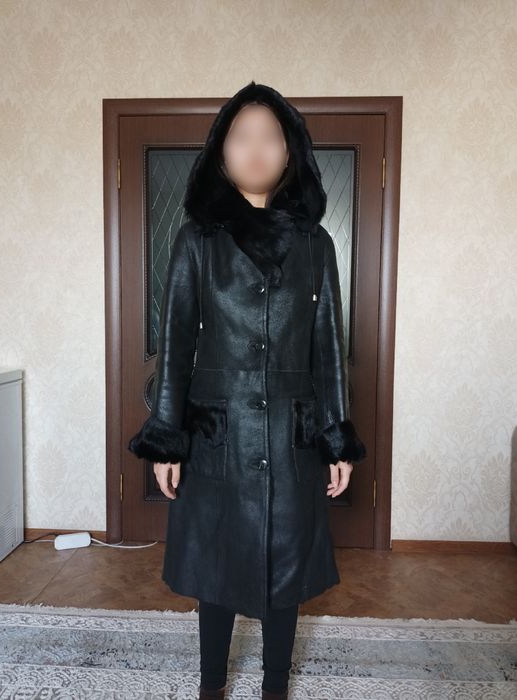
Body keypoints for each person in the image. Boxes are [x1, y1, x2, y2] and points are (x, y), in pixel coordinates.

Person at [128, 81, 367, 699]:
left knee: (286, 568)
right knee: (215, 566)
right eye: (242, 137)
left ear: (290, 153)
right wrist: (168, 438)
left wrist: (336, 439)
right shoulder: (198, 239)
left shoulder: (316, 244)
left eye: (270, 137)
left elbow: (328, 351)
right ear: (222, 151)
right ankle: (211, 685)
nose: (256, 149)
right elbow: (176, 342)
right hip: (218, 435)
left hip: (292, 436)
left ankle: (274, 687)